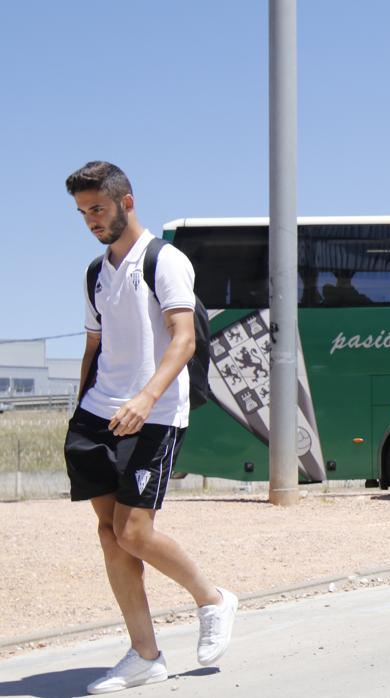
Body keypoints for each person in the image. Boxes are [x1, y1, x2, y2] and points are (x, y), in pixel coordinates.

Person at [64, 161, 237, 694]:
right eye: (82, 212)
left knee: (134, 531)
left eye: (98, 208)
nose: (91, 220)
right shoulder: (96, 272)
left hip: (155, 414)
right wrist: (80, 410)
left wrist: (146, 397)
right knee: (109, 536)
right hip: (98, 413)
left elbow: (182, 339)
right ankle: (144, 655)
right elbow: (95, 345)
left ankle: (212, 599)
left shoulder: (165, 260)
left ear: (127, 202)